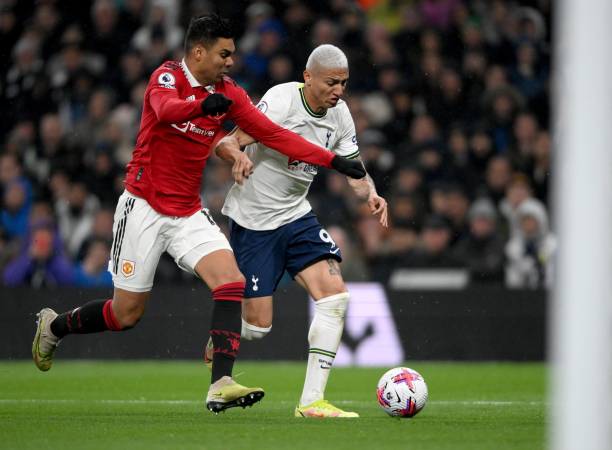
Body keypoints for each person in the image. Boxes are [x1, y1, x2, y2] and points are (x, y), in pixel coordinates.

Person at [31, 14, 365, 415]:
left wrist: (333, 161)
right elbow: (167, 110)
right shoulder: (167, 77)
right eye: (224, 54)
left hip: (188, 211)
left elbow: (276, 135)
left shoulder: (230, 92)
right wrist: (202, 105)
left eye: (233, 55)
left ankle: (221, 382)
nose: (230, 62)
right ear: (199, 51)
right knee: (126, 314)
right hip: (144, 207)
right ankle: (54, 326)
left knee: (231, 281)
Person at [206, 44, 388, 418]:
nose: (338, 90)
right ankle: (222, 335)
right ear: (308, 77)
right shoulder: (282, 100)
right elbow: (226, 143)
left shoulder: (340, 116)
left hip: (296, 217)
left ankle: (311, 403)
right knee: (258, 327)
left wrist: (370, 192)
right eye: (331, 82)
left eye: (344, 83)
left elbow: (353, 169)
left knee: (335, 298)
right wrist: (238, 156)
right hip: (254, 223)